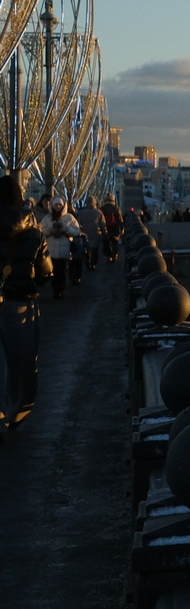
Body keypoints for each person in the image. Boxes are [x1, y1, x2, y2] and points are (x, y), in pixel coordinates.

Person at [0, 176, 53, 431]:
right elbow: (45, 273)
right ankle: (15, 412)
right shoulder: (33, 232)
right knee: (22, 361)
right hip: (20, 301)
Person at [41, 198, 75, 300]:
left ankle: (61, 290)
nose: (58, 207)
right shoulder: (47, 218)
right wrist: (49, 230)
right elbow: (40, 232)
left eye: (60, 205)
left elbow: (76, 231)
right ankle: (56, 291)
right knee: (54, 272)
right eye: (56, 205)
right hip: (51, 249)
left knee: (62, 271)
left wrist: (67, 229)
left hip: (64, 249)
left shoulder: (69, 217)